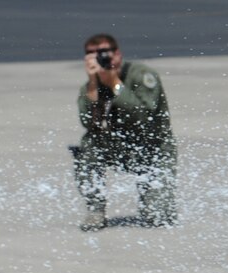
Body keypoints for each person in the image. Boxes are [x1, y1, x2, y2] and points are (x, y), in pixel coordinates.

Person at [73, 33, 176, 231]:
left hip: (152, 149)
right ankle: (95, 208)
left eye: (103, 52)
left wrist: (114, 83)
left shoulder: (141, 75)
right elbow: (88, 123)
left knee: (158, 218)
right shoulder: (90, 86)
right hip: (116, 148)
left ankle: (155, 205)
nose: (98, 58)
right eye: (91, 54)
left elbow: (143, 115)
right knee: (86, 148)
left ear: (117, 54)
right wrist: (94, 86)